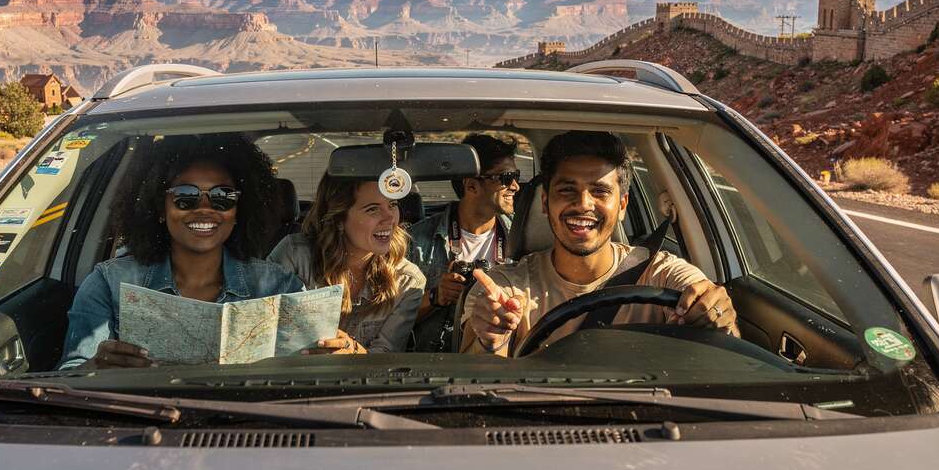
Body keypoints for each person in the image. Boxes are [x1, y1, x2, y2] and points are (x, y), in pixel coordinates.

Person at [461, 130, 738, 356]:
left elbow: (723, 344)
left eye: (600, 191)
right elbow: (476, 382)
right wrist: (490, 339)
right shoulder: (504, 288)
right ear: (545, 202)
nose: (583, 204)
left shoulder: (662, 274)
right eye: (567, 190)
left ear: (622, 205)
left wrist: (717, 316)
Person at [60, 133, 304, 369]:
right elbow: (70, 374)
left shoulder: (279, 286)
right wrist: (94, 367)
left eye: (223, 197)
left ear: (239, 209)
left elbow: (304, 370)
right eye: (186, 196)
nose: (205, 209)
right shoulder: (109, 283)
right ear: (159, 206)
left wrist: (324, 358)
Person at [269, 173, 426, 353]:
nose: (390, 219)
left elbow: (385, 358)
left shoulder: (407, 281)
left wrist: (352, 350)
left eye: (393, 205)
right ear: (339, 219)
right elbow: (265, 335)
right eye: (373, 209)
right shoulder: (294, 256)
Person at [408, 133, 520, 350]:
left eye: (516, 176)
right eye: (506, 178)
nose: (515, 186)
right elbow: (389, 319)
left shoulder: (522, 235)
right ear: (471, 186)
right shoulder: (416, 241)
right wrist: (435, 296)